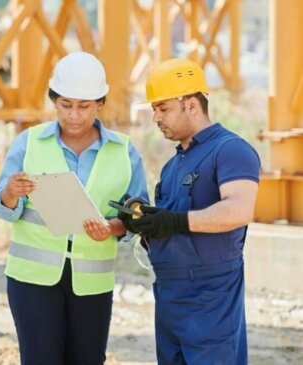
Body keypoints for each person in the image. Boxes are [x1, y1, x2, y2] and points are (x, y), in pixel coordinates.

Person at [0, 51, 148, 365]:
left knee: (87, 360)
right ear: (54, 101)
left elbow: (139, 215)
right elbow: (2, 207)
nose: (74, 116)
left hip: (92, 282)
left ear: (99, 103)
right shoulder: (28, 142)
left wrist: (113, 228)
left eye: (84, 106)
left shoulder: (124, 151)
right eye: (66, 105)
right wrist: (10, 192)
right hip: (32, 281)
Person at [119, 58, 260, 365]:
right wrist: (145, 224)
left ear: (192, 105)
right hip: (169, 293)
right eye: (154, 109)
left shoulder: (230, 150)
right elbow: (172, 228)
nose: (155, 117)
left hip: (211, 297)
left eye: (163, 108)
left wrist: (172, 221)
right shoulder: (173, 166)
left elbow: (238, 210)